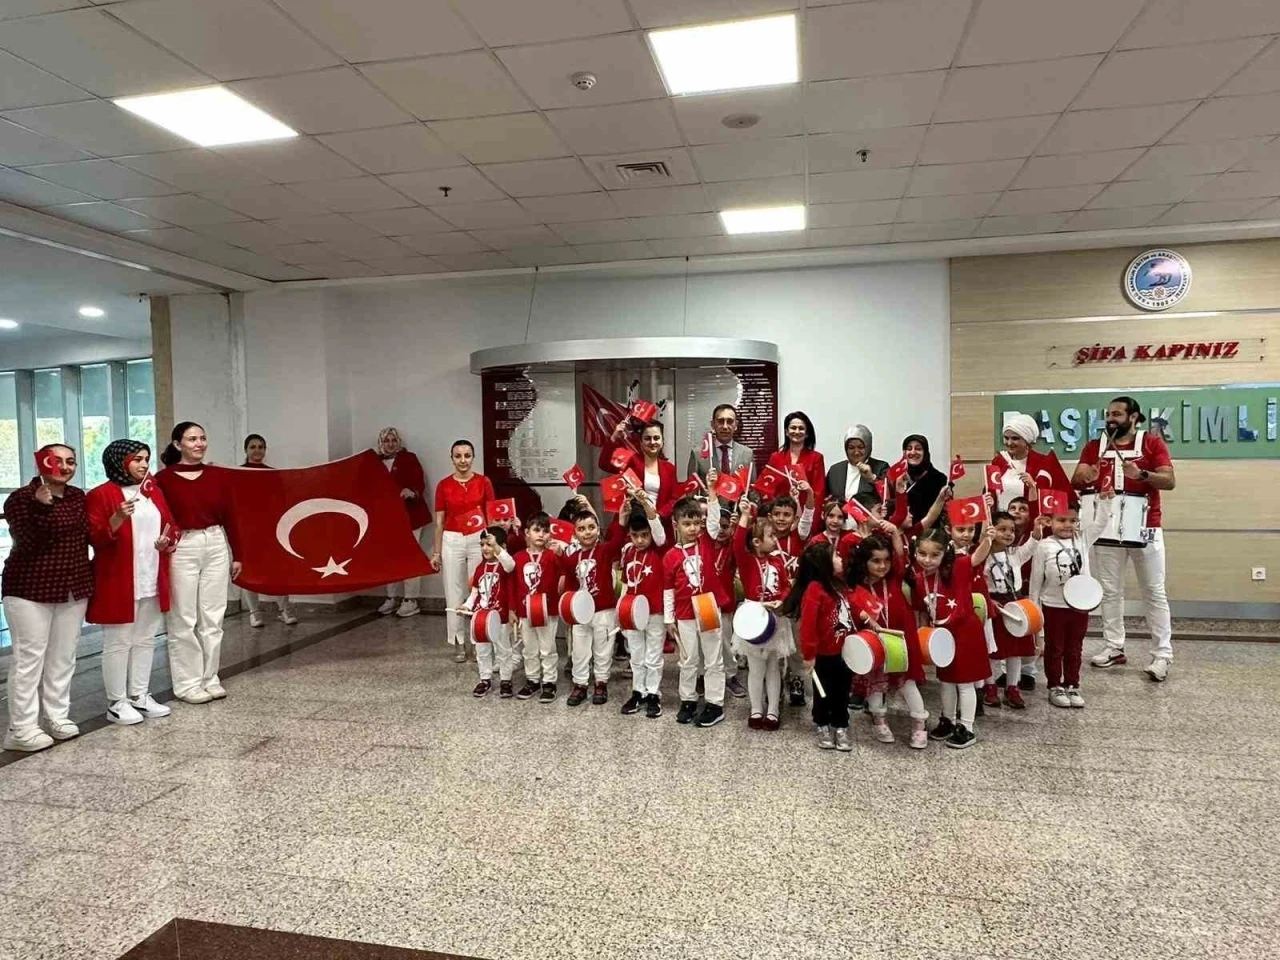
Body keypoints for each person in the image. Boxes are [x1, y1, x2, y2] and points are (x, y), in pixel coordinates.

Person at [1072, 396, 1176, 682]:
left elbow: (1169, 480)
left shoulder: (1152, 443)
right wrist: (1086, 475)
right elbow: (1076, 479)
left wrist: (1142, 474)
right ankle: (1114, 646)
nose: (1110, 419)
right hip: (1104, 528)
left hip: (1146, 527)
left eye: (1117, 414)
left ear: (1133, 417)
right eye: (1108, 414)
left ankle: (1162, 654)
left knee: (1154, 591)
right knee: (1110, 591)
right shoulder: (1095, 446)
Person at [2, 444, 91, 752]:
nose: (64, 467)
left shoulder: (78, 497)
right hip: (30, 588)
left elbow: (87, 537)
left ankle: (57, 716)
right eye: (57, 461)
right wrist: (41, 507)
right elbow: (26, 542)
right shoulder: (21, 498)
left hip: (72, 586)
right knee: (29, 658)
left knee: (63, 656)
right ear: (42, 463)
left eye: (71, 461)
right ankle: (21, 727)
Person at [85, 440, 176, 726]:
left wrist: (167, 540)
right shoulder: (101, 494)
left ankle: (139, 694)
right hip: (118, 578)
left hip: (151, 574)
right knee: (118, 641)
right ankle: (116, 701)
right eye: (137, 459)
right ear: (120, 462)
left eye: (146, 459)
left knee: (145, 639)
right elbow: (95, 537)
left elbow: (172, 525)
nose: (143, 464)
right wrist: (117, 518)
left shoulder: (152, 491)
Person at [156, 422, 240, 704]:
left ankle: (210, 678)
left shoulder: (218, 475)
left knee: (213, 616)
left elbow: (231, 515)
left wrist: (238, 553)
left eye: (202, 438)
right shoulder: (164, 479)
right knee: (184, 617)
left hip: (215, 541)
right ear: (177, 444)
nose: (199, 443)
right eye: (192, 439)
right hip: (183, 545)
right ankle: (187, 683)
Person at [847, 529, 931, 748]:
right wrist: (863, 617)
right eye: (876, 561)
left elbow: (900, 553)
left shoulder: (894, 577)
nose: (882, 566)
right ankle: (879, 721)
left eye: (886, 560)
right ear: (864, 562)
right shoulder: (857, 588)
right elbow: (853, 611)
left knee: (908, 683)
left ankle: (919, 724)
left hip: (902, 641)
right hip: (876, 643)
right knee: (876, 684)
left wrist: (894, 532)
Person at [1029, 492, 1114, 708]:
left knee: (1075, 648)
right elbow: (1036, 583)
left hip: (1079, 607)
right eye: (1061, 520)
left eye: (1073, 520)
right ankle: (1054, 685)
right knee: (1054, 648)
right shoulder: (1044, 546)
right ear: (1050, 521)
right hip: (1053, 606)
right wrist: (1035, 612)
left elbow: (1101, 523)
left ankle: (1072, 684)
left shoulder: (1082, 540)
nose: (1067, 525)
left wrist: (1105, 501)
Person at [914, 526, 993, 750]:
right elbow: (923, 610)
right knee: (946, 681)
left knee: (965, 683)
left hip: (966, 633)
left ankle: (966, 728)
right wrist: (925, 636)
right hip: (941, 637)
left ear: (945, 553)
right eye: (922, 553)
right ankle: (947, 720)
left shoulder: (957, 566)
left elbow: (977, 557)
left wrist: (987, 539)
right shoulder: (919, 578)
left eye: (934, 555)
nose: (927, 560)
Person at [663, 496, 732, 728]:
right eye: (687, 524)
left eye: (696, 523)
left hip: (707, 606)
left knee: (713, 658)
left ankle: (715, 703)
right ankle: (688, 700)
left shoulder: (706, 543)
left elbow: (713, 521)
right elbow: (668, 590)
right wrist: (668, 619)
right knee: (688, 658)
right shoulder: (670, 556)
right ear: (676, 525)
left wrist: (712, 494)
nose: (692, 528)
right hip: (684, 613)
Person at [730, 499, 794, 730]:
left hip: (775, 618)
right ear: (757, 542)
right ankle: (756, 709)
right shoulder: (747, 561)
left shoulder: (777, 561)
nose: (775, 539)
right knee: (756, 668)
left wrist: (782, 600)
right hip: (754, 617)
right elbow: (738, 544)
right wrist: (744, 516)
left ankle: (773, 710)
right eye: (771, 536)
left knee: (774, 667)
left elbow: (786, 586)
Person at [788, 541, 855, 752]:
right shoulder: (814, 590)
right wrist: (809, 654)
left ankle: (841, 724)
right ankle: (822, 723)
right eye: (836, 555)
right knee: (823, 692)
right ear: (824, 563)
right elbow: (808, 626)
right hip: (824, 654)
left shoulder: (840, 585)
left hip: (845, 652)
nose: (840, 558)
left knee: (843, 690)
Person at [431, 439, 495, 660]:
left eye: (467, 455)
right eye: (458, 456)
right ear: (452, 459)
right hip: (452, 538)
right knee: (454, 591)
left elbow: (491, 516)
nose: (463, 460)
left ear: (473, 457)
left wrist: (493, 545)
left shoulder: (483, 482)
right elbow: (439, 522)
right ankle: (458, 641)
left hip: (479, 538)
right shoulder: (444, 485)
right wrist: (436, 553)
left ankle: (478, 640)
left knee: (479, 589)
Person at [563, 495, 626, 707]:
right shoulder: (572, 559)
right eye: (582, 529)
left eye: (591, 527)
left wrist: (621, 519)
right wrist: (570, 611)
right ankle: (580, 684)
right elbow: (570, 586)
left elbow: (617, 541)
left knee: (603, 649)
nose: (587, 532)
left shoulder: (605, 551)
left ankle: (601, 682)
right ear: (575, 533)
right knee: (579, 651)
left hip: (603, 610)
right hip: (581, 613)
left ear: (598, 530)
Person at [981, 511, 1040, 710]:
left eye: (1012, 530)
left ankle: (1012, 687)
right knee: (993, 649)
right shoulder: (983, 556)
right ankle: (990, 686)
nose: (1008, 534)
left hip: (1015, 605)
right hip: (994, 606)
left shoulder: (1015, 554)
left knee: (1015, 651)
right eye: (1002, 529)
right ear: (991, 530)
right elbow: (976, 582)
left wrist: (1037, 530)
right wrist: (988, 600)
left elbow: (1032, 546)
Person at [615, 493, 667, 719]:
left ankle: (653, 693)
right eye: (635, 535)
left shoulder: (659, 549)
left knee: (653, 655)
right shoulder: (628, 552)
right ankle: (638, 692)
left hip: (655, 612)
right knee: (636, 654)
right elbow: (626, 583)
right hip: (632, 612)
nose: (640, 540)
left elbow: (658, 531)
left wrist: (646, 505)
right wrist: (621, 612)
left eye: (644, 535)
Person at [240, 434, 298, 628]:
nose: (257, 450)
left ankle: (284, 609)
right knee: (248, 571)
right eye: (253, 447)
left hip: (271, 529)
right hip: (247, 530)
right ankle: (254, 612)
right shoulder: (236, 473)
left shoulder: (273, 474)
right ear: (246, 450)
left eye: (261, 447)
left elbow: (282, 501)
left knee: (278, 569)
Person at [376, 427, 432, 618]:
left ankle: (411, 599)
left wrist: (412, 492)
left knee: (410, 558)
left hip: (411, 516)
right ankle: (391, 597)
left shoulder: (409, 458)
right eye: (387, 441)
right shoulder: (375, 462)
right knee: (390, 559)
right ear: (381, 443)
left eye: (394, 440)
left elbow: (419, 482)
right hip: (387, 518)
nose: (390, 444)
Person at [510, 513, 565, 704]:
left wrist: (561, 554)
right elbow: (512, 585)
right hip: (525, 611)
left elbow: (565, 571)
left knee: (548, 647)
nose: (541, 534)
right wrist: (512, 609)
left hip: (548, 610)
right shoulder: (518, 557)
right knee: (529, 648)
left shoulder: (552, 555)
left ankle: (549, 682)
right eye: (536, 530)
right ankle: (532, 680)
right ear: (527, 532)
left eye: (545, 531)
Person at [462, 527, 515, 699]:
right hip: (481, 618)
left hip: (501, 617)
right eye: (482, 544)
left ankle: (506, 680)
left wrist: (498, 549)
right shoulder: (480, 568)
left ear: (501, 546)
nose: (485, 548)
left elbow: (510, 564)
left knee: (503, 650)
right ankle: (485, 679)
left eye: (490, 544)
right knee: (482, 650)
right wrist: (466, 606)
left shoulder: (505, 566)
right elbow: (475, 593)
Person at [988, 413, 1071, 512]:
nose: (1009, 443)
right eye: (1006, 438)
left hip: (1031, 519)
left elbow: (1060, 500)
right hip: (1002, 520)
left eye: (1015, 438)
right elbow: (989, 494)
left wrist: (1033, 487)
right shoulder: (998, 462)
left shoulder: (1044, 463)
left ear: (1027, 440)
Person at [767, 411, 826, 512]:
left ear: (807, 433)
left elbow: (819, 493)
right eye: (793, 428)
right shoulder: (775, 457)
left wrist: (811, 517)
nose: (797, 431)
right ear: (786, 432)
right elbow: (769, 489)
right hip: (780, 514)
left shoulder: (816, 458)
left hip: (806, 513)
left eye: (801, 428)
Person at [687, 403, 755, 488]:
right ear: (713, 424)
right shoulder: (697, 454)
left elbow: (752, 489)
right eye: (720, 421)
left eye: (730, 421)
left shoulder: (747, 454)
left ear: (736, 425)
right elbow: (691, 492)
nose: (725, 426)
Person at [826, 424, 889, 510]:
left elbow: (888, 498)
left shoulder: (881, 467)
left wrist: (872, 478)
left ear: (868, 447)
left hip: (870, 518)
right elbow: (827, 499)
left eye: (860, 447)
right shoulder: (835, 470)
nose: (856, 452)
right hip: (839, 517)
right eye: (851, 448)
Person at [898, 435, 949, 527]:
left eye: (918, 449)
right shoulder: (897, 476)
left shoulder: (939, 478)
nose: (913, 452)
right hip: (901, 530)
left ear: (925, 452)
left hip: (930, 530)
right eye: (909, 449)